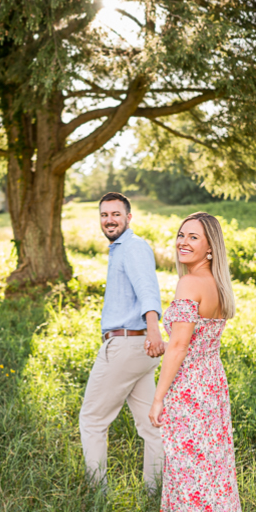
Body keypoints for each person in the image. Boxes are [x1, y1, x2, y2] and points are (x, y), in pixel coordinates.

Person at [149, 212, 251, 512]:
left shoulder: (190, 282)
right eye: (181, 235)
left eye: (194, 237)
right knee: (210, 472)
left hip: (189, 388)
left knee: (190, 472)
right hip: (212, 386)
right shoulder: (217, 285)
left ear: (210, 247)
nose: (184, 242)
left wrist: (159, 396)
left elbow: (177, 346)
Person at [78, 192, 166, 492]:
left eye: (116, 214)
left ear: (129, 217)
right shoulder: (120, 248)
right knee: (151, 426)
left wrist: (154, 330)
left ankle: (96, 494)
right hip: (138, 350)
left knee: (91, 420)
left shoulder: (133, 246)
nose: (109, 220)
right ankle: (155, 492)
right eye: (104, 215)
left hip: (128, 345)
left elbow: (147, 289)